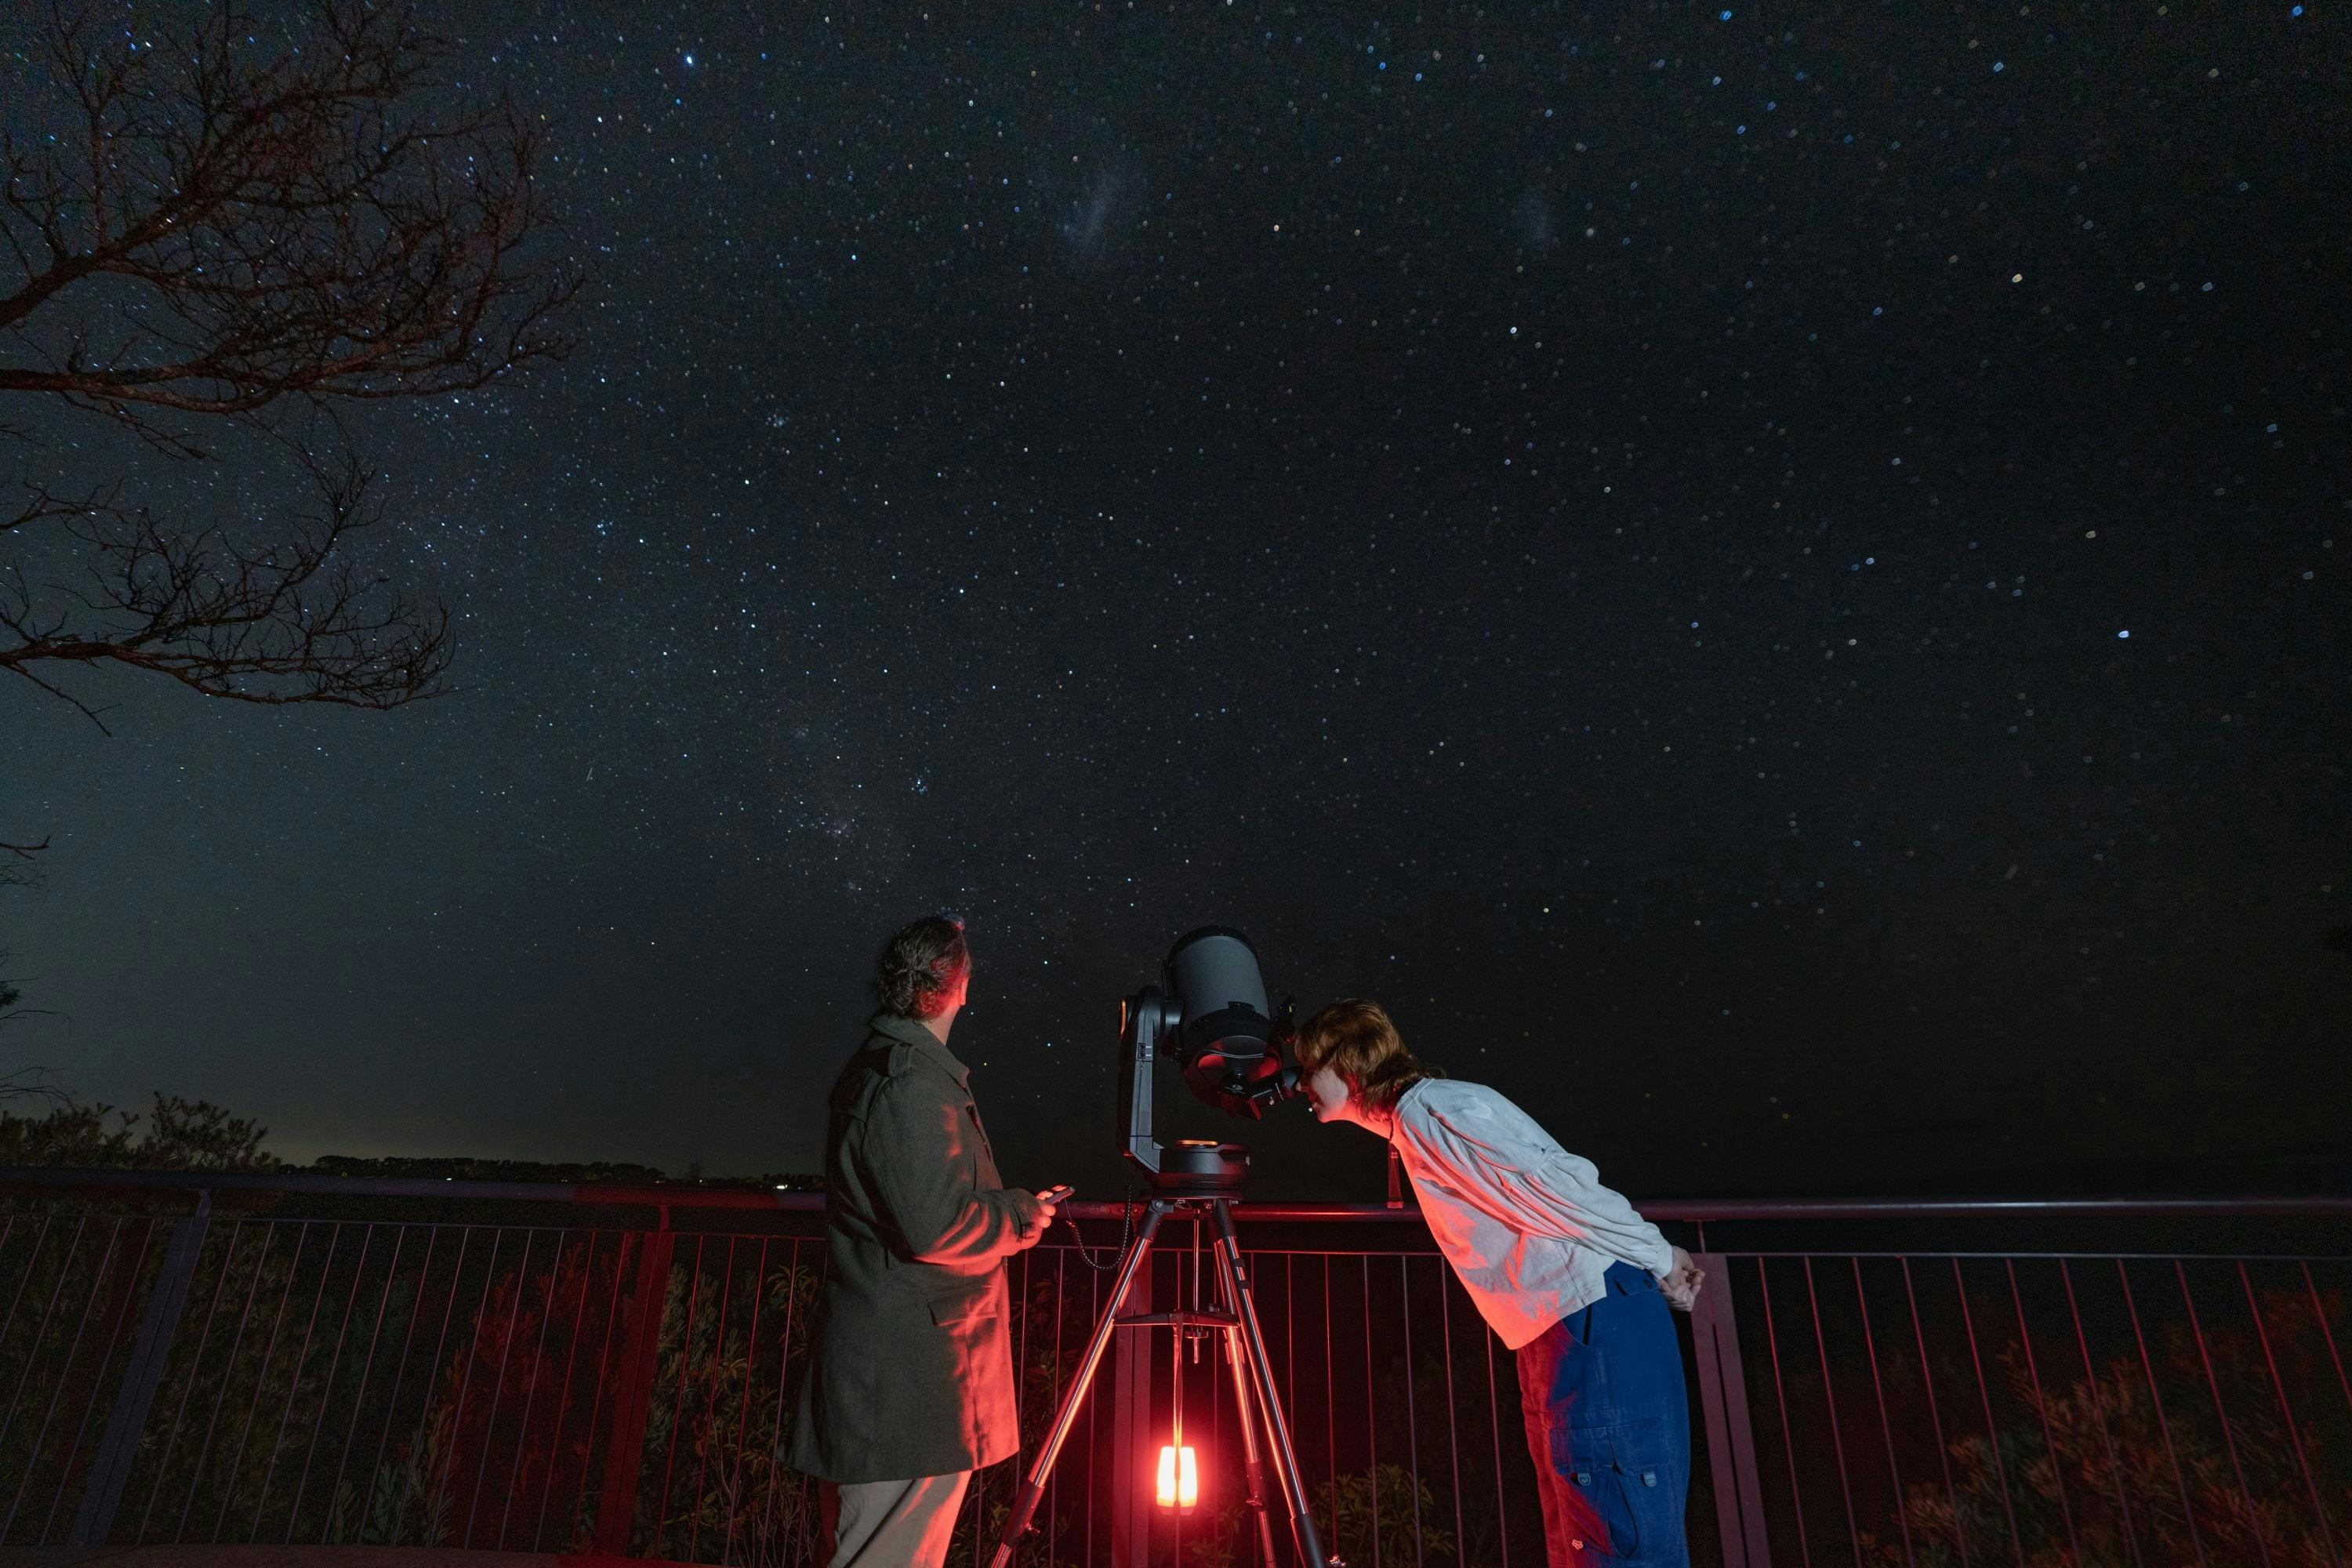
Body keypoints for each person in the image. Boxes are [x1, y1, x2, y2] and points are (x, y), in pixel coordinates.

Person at [1295, 999, 1704, 1568]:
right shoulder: (1419, 1121)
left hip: (1591, 1321)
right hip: (1561, 1330)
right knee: (1586, 1540)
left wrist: (1661, 1257)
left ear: (1348, 1063)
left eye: (1305, 1066)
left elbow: (1560, 1188)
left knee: (1622, 1543)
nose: (1297, 1085)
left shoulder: (1433, 1113)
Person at [789, 916, 1069, 1568]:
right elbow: (938, 1225)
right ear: (960, 985)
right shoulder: (909, 1083)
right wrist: (1021, 1216)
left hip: (899, 1380)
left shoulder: (895, 1070)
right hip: (907, 1385)